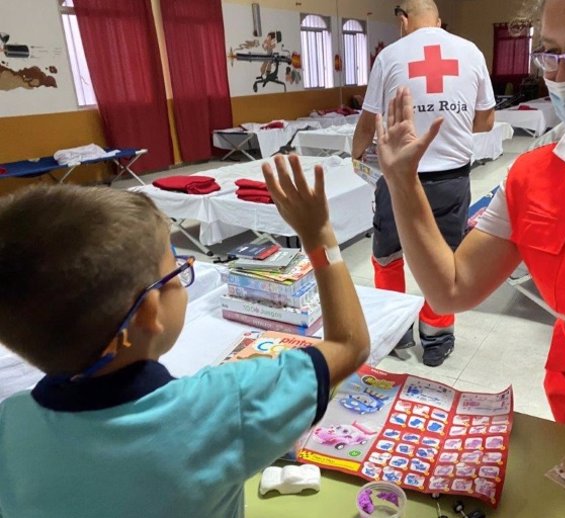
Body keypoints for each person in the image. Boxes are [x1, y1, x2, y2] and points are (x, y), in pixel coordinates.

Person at [374, 0, 565, 515]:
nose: (563, 78)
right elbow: (452, 288)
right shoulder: (538, 175)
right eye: (548, 54)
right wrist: (402, 183)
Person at [0, 154, 370, 517]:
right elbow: (348, 345)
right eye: (176, 271)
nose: (182, 277)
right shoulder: (223, 407)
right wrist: (318, 235)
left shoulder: (10, 421)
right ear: (148, 311)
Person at [351, 0, 495, 367]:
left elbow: (368, 123)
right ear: (439, 21)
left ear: (403, 20)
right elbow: (487, 120)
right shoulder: (471, 51)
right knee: (447, 259)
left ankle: (394, 331)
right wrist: (449, 127)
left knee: (386, 255)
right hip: (450, 179)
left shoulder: (391, 56)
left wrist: (355, 156)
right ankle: (436, 337)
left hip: (397, 176)